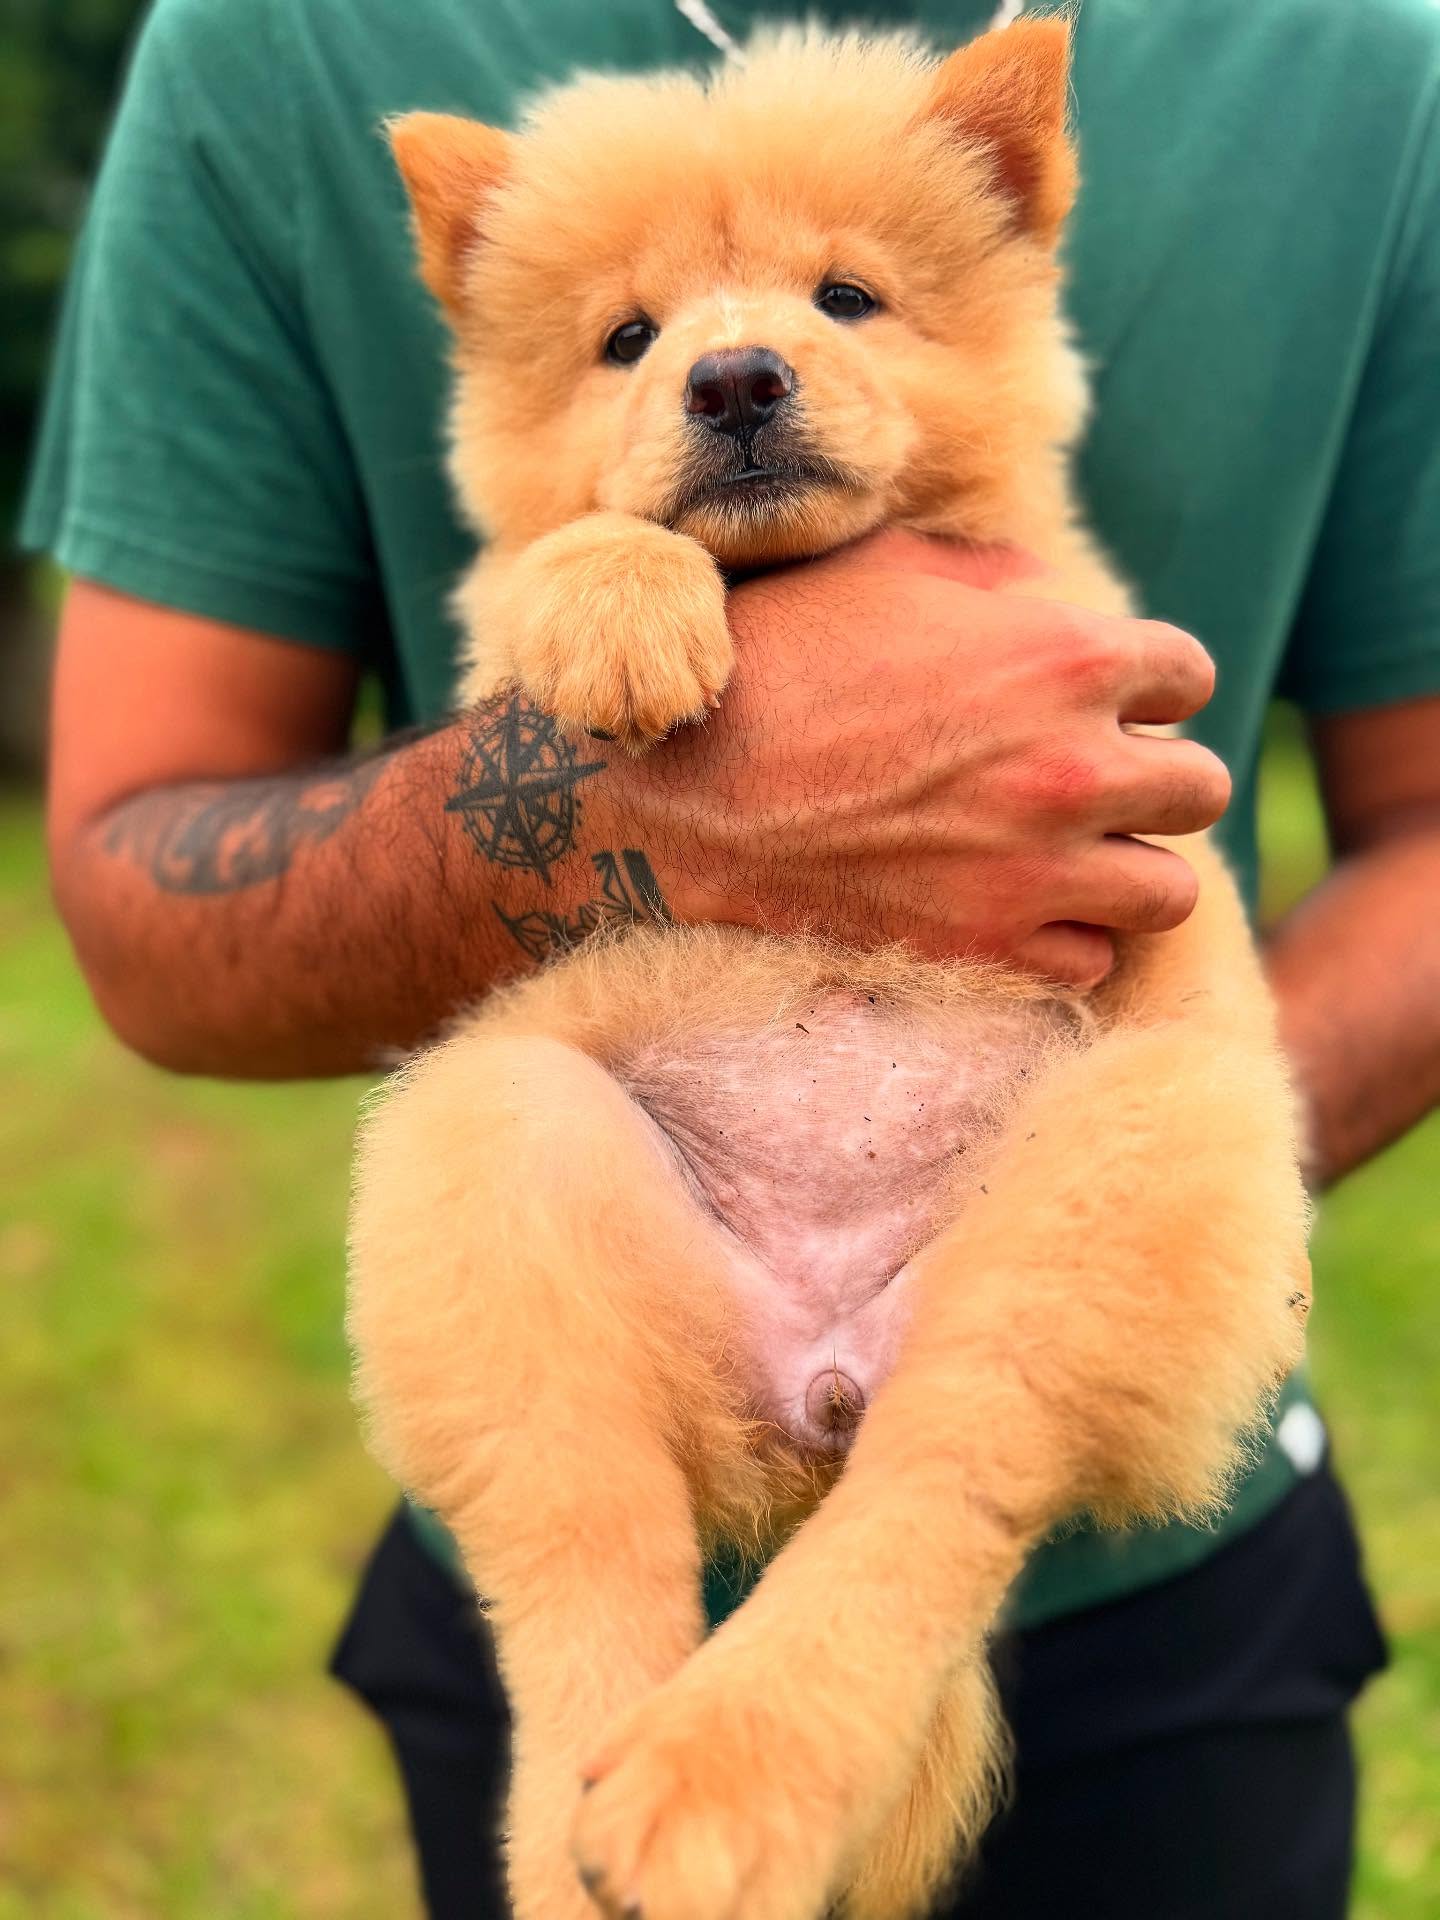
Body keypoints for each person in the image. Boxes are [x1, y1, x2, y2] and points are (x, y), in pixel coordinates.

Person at [24, 0, 1440, 1913]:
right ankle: (593, 1718)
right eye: (626, 339)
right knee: (491, 1122)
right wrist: (611, 650)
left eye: (848, 298)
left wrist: (1102, 1244)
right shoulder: (277, 48)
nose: (734, 363)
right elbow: (191, 854)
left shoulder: (1362, 69)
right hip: (640, 1289)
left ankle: (880, 1609)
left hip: (1167, 1607)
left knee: (1174, 1110)